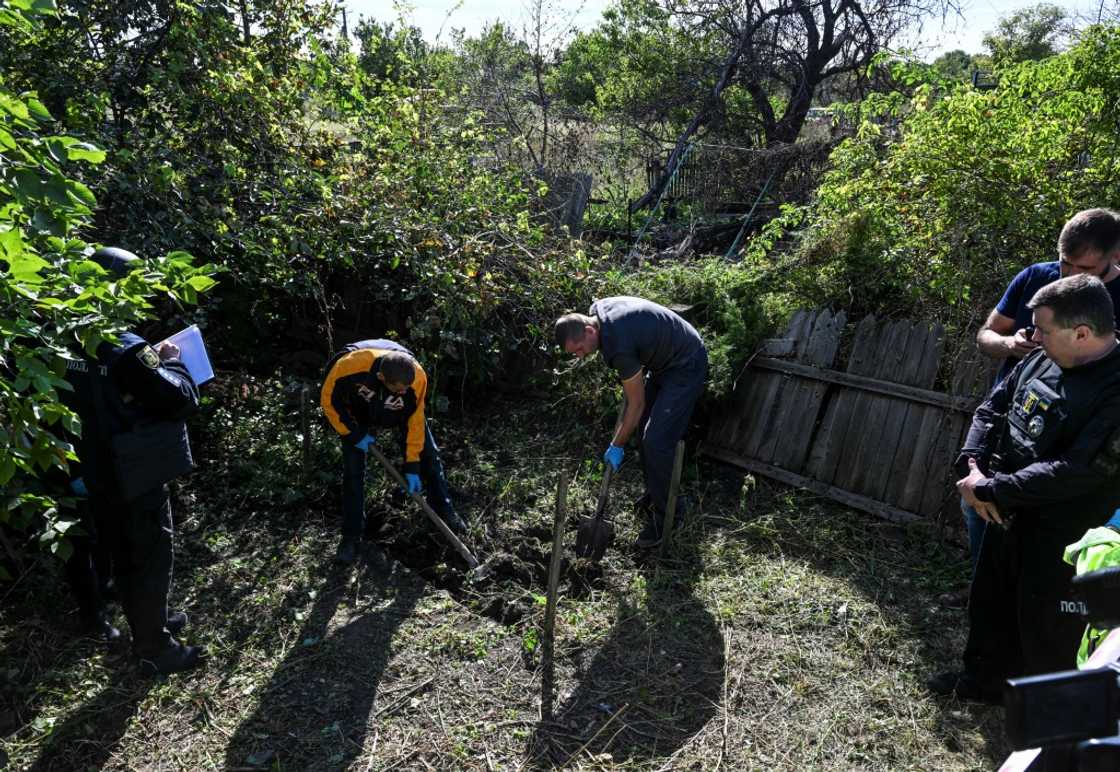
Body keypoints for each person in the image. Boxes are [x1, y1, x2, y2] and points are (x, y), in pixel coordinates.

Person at [929, 274, 1120, 702]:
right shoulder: (1043, 356)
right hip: (1002, 511)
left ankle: (1040, 719)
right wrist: (971, 466)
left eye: (1042, 329)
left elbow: (1077, 470)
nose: (1030, 336)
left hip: (1062, 534)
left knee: (1047, 626)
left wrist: (993, 489)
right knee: (990, 601)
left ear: (1082, 333)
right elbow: (994, 407)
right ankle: (981, 682)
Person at [953, 209, 1120, 595]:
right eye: (1065, 264)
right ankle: (984, 588)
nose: (1071, 276)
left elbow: (1078, 467)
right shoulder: (1034, 277)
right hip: (1011, 433)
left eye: (1086, 269)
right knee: (983, 524)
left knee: (1043, 583)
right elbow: (986, 337)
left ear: (1115, 257)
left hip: (1069, 462)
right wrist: (1013, 345)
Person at [62, 246, 202, 675]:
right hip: (134, 468)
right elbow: (178, 398)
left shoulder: (58, 335)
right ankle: (155, 647)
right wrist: (174, 365)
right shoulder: (124, 346)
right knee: (150, 553)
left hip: (90, 468)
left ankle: (150, 620)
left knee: (121, 551)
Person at [555, 296, 707, 548]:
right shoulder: (598, 311)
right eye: (574, 353)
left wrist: (617, 444)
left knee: (657, 440)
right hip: (663, 362)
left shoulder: (619, 347)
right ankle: (657, 494)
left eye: (579, 348)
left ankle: (670, 515)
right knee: (643, 433)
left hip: (686, 363)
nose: (580, 356)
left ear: (589, 330)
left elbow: (636, 405)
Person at [320, 339, 465, 564]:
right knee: (353, 471)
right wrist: (352, 433)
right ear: (382, 379)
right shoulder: (348, 367)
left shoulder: (416, 378)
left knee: (429, 455)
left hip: (395, 411)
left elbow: (415, 423)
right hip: (355, 411)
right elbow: (329, 401)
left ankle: (444, 510)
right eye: (399, 389)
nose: (405, 391)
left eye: (406, 388)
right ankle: (351, 537)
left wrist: (412, 466)